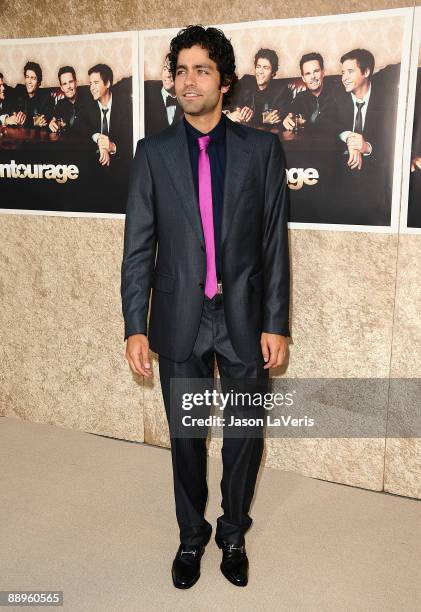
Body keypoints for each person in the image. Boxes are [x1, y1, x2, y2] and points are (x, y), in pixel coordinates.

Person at [121, 25, 290, 589]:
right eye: (181, 70)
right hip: (178, 322)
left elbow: (272, 244)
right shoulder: (153, 153)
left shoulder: (262, 150)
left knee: (245, 436)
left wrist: (276, 323)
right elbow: (139, 247)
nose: (188, 81)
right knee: (187, 439)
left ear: (225, 83)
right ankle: (191, 538)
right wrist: (134, 326)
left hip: (242, 319)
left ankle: (234, 533)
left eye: (202, 70)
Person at [334, 48, 394, 225]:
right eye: (342, 72)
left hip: (377, 169)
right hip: (344, 164)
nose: (344, 77)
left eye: (350, 71)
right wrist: (348, 137)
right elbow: (328, 125)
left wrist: (366, 147)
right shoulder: (338, 94)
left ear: (366, 72)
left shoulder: (386, 99)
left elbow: (391, 139)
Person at [83, 63, 131, 167]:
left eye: (96, 83)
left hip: (121, 164)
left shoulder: (124, 106)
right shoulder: (88, 103)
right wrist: (99, 138)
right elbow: (79, 125)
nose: (92, 88)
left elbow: (130, 140)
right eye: (90, 83)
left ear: (108, 83)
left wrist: (112, 147)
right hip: (95, 163)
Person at [227, 48, 291, 127]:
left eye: (265, 68)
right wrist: (230, 115)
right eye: (258, 66)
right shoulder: (245, 81)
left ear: (273, 73)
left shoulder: (282, 90)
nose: (260, 71)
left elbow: (278, 117)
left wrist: (253, 117)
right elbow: (228, 105)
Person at [283, 52, 336, 132]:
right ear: (303, 78)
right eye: (308, 74)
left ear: (323, 72)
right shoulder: (300, 97)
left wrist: (307, 123)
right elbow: (290, 114)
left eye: (316, 71)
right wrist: (287, 119)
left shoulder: (336, 95)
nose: (312, 77)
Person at [144, 53, 183, 136]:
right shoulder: (147, 88)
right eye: (165, 69)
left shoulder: (187, 98)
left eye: (172, 71)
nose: (168, 75)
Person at [49, 66, 87, 133]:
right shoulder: (60, 104)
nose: (68, 86)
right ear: (62, 88)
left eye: (71, 82)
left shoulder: (87, 101)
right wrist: (52, 123)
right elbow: (54, 119)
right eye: (64, 84)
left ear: (76, 83)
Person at [15, 61, 53, 128]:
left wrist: (37, 121)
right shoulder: (18, 90)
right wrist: (34, 122)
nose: (29, 81)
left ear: (39, 83)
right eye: (27, 77)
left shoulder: (46, 96)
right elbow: (16, 118)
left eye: (33, 78)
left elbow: (44, 119)